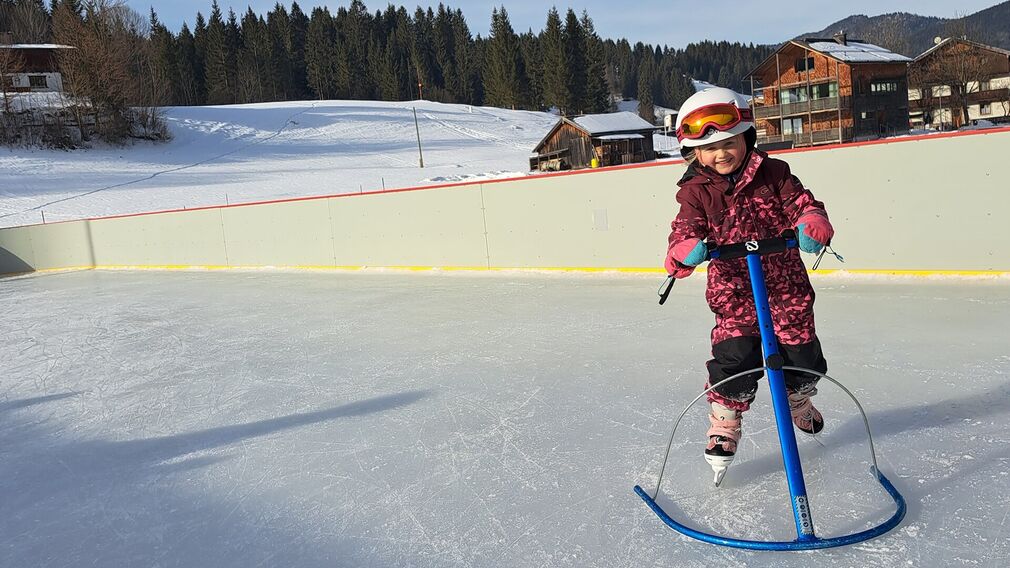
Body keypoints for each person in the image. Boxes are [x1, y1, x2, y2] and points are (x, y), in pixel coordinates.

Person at [663, 87, 833, 475]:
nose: (721, 153)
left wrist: (812, 222)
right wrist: (684, 249)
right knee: (735, 358)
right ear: (694, 153)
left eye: (728, 142)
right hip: (734, 292)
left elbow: (803, 203)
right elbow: (683, 230)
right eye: (709, 148)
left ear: (746, 137)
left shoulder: (774, 174)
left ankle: (798, 399)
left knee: (802, 354)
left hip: (786, 287)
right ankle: (724, 423)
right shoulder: (695, 192)